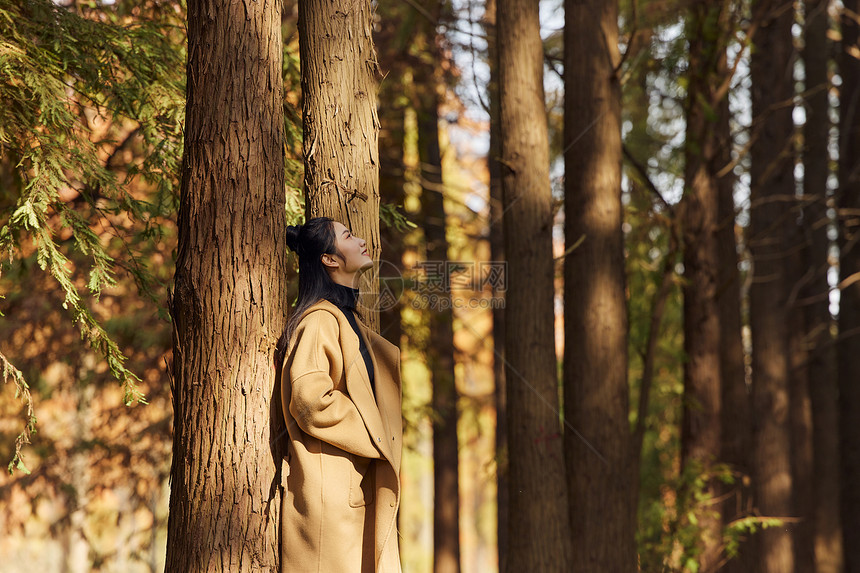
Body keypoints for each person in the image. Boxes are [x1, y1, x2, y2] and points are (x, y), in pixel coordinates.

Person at [277, 216, 403, 573]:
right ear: (330, 259)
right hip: (328, 506)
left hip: (353, 495)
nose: (362, 240)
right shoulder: (319, 320)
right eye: (348, 235)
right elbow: (310, 400)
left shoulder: (350, 323)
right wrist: (372, 435)